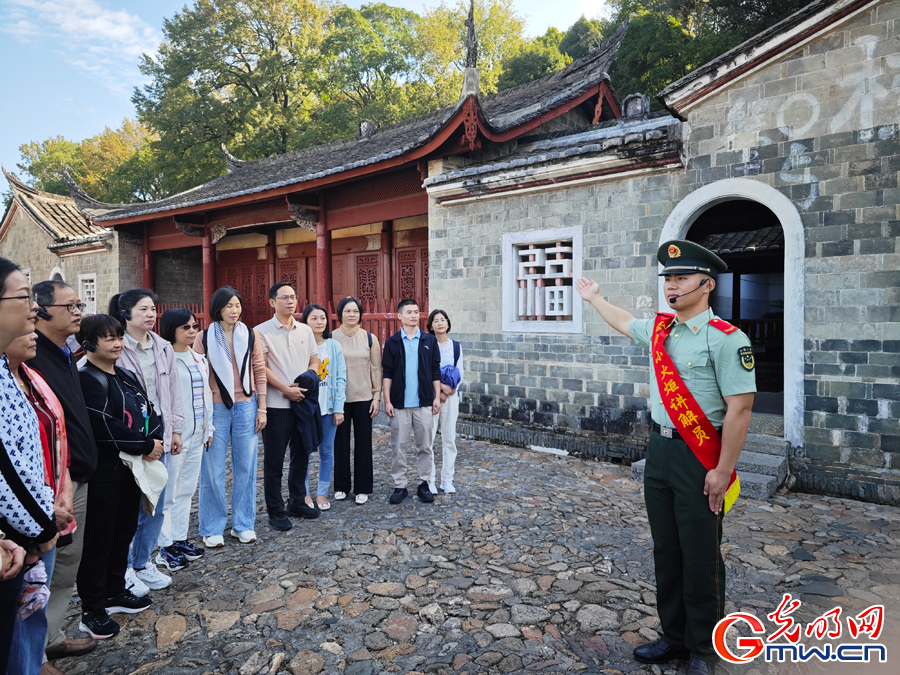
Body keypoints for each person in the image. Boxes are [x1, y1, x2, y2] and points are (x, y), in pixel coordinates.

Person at [575, 240, 756, 675]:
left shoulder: (728, 340)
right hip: (659, 449)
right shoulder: (660, 330)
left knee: (700, 555)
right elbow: (623, 321)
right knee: (667, 550)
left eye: (680, 278)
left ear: (706, 284)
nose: (671, 286)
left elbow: (741, 409)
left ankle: (702, 649)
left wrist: (722, 469)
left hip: (699, 453)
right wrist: (595, 297)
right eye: (668, 279)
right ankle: (673, 637)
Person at [76, 314, 162, 640]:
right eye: (108, 338)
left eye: (118, 337)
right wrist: (144, 444)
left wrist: (155, 436)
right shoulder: (86, 379)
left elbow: (148, 409)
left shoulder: (124, 374)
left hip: (132, 469)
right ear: (89, 342)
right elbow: (103, 423)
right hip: (105, 472)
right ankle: (92, 609)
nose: (116, 343)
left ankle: (114, 590)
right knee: (99, 539)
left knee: (124, 530)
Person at [28, 281, 99, 664]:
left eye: (79, 303)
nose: (77, 311)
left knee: (67, 564)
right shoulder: (32, 356)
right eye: (69, 305)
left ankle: (50, 635)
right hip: (54, 483)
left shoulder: (65, 352)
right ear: (40, 311)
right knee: (47, 569)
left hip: (76, 476)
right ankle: (33, 653)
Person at [0, 260, 57, 672]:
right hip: (21, 531)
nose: (33, 308)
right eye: (24, 297)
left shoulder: (6, 370)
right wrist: (42, 526)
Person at [106, 290, 184, 594]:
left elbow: (173, 390)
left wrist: (175, 430)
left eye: (153, 308)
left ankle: (142, 562)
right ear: (126, 314)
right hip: (129, 437)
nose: (151, 314)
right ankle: (122, 568)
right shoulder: (116, 345)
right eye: (144, 309)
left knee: (156, 505)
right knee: (128, 508)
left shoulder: (163, 347)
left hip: (159, 433)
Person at [6, 331, 75, 675]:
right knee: (20, 604)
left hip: (50, 496)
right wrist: (43, 516)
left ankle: (36, 658)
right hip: (24, 515)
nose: (32, 332)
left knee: (36, 596)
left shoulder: (32, 379)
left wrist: (60, 494)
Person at [193, 287, 267, 546]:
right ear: (218, 308)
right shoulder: (203, 337)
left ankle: (243, 524)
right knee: (212, 469)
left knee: (246, 465)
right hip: (216, 408)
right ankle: (212, 526)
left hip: (246, 405)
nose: (234, 310)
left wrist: (262, 407)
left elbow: (259, 370)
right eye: (228, 306)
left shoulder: (250, 335)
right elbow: (199, 377)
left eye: (237, 305)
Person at [254, 282, 320, 532]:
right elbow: (261, 367)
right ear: (272, 302)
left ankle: (296, 501)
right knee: (274, 461)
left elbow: (314, 359)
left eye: (293, 296)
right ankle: (276, 509)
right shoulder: (260, 332)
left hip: (302, 402)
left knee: (302, 455)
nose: (291, 301)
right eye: (284, 297)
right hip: (276, 404)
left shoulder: (305, 330)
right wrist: (285, 389)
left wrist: (309, 378)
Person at [155, 309, 213, 567]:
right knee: (170, 491)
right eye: (185, 327)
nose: (192, 331)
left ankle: (179, 538)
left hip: (198, 431)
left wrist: (208, 429)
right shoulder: (163, 360)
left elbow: (207, 397)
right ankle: (164, 546)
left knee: (187, 489)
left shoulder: (199, 359)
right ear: (171, 330)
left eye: (194, 326)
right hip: (176, 435)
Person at [381, 299, 441, 505]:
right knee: (399, 446)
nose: (414, 315)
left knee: (425, 445)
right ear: (400, 316)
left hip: (424, 402)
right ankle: (400, 485)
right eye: (409, 312)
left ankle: (424, 483)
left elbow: (435, 370)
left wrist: (436, 397)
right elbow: (387, 373)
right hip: (399, 403)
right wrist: (386, 400)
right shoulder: (392, 343)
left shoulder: (429, 341)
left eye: (416, 312)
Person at [332, 296, 381, 505]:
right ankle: (341, 486)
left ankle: (362, 487)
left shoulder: (370, 338)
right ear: (340, 314)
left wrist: (376, 396)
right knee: (339, 443)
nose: (351, 314)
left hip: (364, 398)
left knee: (363, 443)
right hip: (340, 400)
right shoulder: (331, 338)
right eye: (347, 311)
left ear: (360, 314)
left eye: (355, 311)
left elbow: (376, 369)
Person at [301, 304, 346, 511]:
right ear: (305, 321)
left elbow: (340, 379)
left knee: (327, 451)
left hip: (328, 408)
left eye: (322, 318)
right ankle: (304, 493)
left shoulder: (333, 346)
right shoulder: (300, 344)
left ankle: (321, 493)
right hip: (307, 409)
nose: (319, 322)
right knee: (304, 452)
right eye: (314, 318)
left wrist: (339, 408)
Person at [426, 309, 464, 495]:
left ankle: (447, 479)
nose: (440, 323)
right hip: (430, 399)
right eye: (435, 320)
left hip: (451, 398)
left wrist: (447, 393)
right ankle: (430, 479)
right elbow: (424, 371)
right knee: (429, 440)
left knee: (449, 439)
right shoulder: (426, 345)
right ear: (431, 326)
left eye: (443, 320)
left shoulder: (456, 346)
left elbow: (460, 374)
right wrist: (439, 391)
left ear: (448, 323)